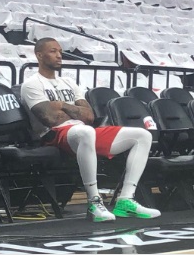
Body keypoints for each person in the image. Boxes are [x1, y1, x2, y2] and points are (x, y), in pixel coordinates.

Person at [21, 37, 161, 222]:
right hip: (54, 136)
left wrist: (62, 105)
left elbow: (89, 116)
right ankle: (94, 202)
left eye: (60, 51)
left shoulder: (69, 83)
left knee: (142, 135)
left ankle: (126, 200)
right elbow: (50, 119)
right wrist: (74, 112)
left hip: (81, 131)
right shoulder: (32, 84)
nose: (59, 55)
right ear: (39, 55)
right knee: (86, 132)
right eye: (53, 51)